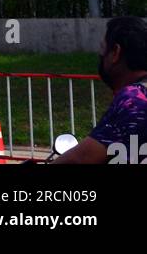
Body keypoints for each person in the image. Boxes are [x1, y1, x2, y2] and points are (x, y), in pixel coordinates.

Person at [52, 16, 147, 165]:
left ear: (115, 52)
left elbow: (81, 159)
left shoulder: (133, 99)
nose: (100, 56)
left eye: (103, 49)